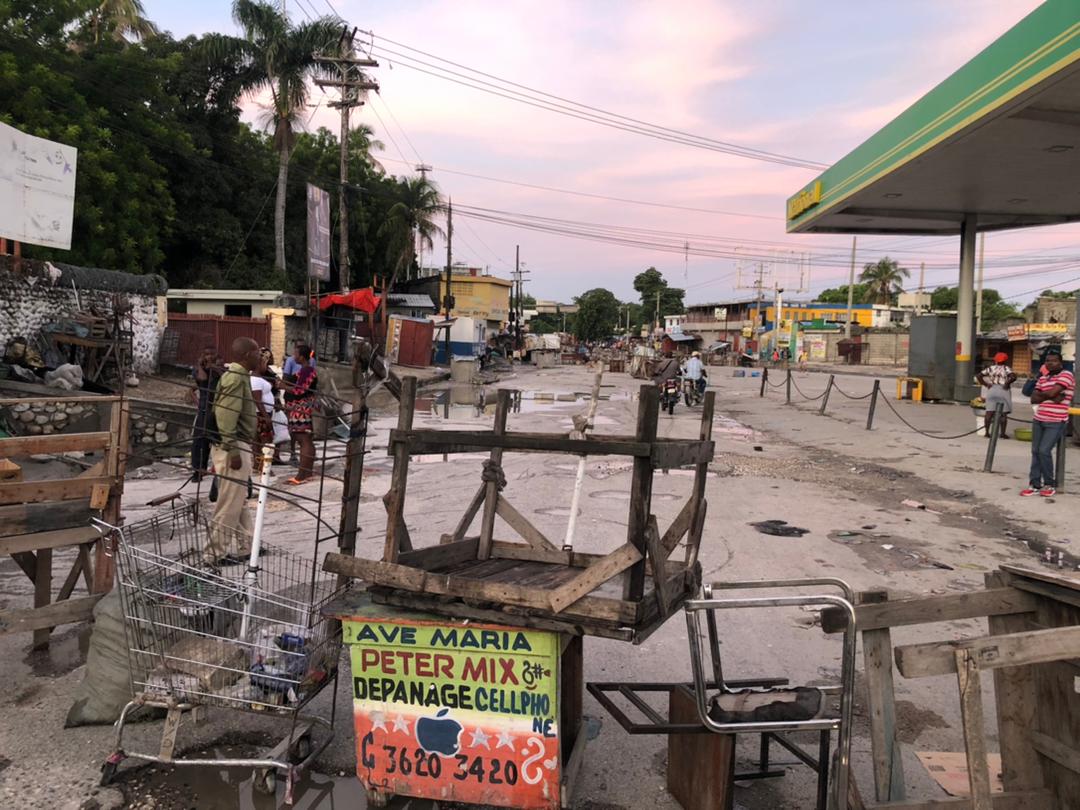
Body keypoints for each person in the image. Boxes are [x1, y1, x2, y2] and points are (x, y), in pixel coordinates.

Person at [206, 337, 260, 564]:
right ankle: (213, 554)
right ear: (247, 355)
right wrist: (233, 450)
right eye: (257, 352)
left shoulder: (240, 376)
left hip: (236, 443)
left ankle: (248, 546)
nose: (261, 356)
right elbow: (226, 414)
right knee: (229, 503)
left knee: (238, 499)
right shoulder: (236, 377)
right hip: (233, 445)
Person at [1021, 348, 1075, 497]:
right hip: (1039, 418)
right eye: (1048, 361)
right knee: (1035, 452)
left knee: (1044, 451)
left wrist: (1045, 395)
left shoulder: (1067, 375)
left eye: (1054, 361)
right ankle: (1035, 484)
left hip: (1056, 420)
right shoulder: (1044, 378)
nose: (1051, 363)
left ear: (1060, 362)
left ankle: (1049, 484)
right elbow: (1033, 397)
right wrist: (1052, 397)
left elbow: (1048, 393)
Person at [284, 344, 318, 485]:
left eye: (296, 354)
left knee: (303, 440)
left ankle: (301, 475)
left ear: (302, 357)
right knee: (306, 440)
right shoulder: (305, 370)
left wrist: (283, 387)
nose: (294, 356)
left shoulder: (307, 370)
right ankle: (307, 472)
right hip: (301, 408)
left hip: (301, 409)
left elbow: (300, 390)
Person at [190, 346, 221, 481]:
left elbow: (222, 377)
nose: (208, 357)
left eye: (211, 354)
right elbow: (201, 379)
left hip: (217, 409)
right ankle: (198, 470)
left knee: (215, 440)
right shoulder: (198, 370)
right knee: (198, 441)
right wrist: (201, 365)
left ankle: (218, 469)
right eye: (206, 354)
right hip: (204, 409)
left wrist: (213, 366)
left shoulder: (219, 369)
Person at [249, 348, 277, 477]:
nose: (266, 366)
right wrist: (266, 417)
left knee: (259, 441)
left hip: (264, 413)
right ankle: (264, 466)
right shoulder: (255, 379)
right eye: (264, 364)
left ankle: (258, 465)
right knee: (266, 441)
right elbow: (258, 400)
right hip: (261, 414)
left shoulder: (261, 377)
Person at [977, 352, 1017, 438]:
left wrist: (986, 384)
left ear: (995, 360)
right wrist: (1007, 383)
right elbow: (1013, 377)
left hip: (992, 390)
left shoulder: (990, 368)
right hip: (1003, 390)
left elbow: (979, 376)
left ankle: (987, 432)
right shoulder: (1006, 368)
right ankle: (1002, 434)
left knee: (989, 412)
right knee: (1003, 413)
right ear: (1005, 360)